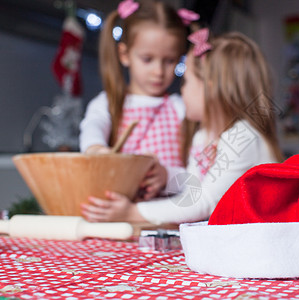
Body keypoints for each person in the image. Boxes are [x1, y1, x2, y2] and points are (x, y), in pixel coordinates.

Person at [81, 29, 285, 224]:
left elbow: (203, 202)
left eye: (186, 81)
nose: (182, 90)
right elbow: (194, 184)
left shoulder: (241, 137)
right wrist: (164, 177)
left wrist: (133, 212)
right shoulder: (204, 136)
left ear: (209, 88)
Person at [79, 0, 187, 200]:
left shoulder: (181, 108)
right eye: (147, 59)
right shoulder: (108, 103)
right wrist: (96, 149)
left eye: (169, 60)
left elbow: (199, 179)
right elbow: (93, 126)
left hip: (166, 217)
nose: (158, 72)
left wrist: (167, 177)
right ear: (125, 54)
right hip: (119, 214)